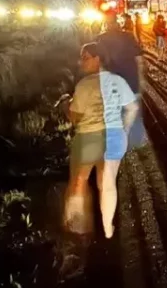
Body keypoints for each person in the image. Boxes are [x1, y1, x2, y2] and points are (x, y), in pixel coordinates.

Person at [64, 43, 139, 238]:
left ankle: (77, 227)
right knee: (105, 182)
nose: (82, 62)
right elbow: (132, 108)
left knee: (80, 180)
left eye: (86, 57)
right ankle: (107, 228)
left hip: (88, 138)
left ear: (98, 58)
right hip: (113, 137)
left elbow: (75, 117)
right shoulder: (118, 81)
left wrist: (66, 105)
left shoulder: (84, 85)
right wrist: (125, 128)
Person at [96, 12, 148, 149]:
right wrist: (141, 81)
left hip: (112, 85)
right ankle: (134, 142)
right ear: (117, 22)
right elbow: (139, 60)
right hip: (131, 81)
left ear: (105, 23)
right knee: (134, 113)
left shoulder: (100, 39)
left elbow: (98, 65)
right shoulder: (128, 36)